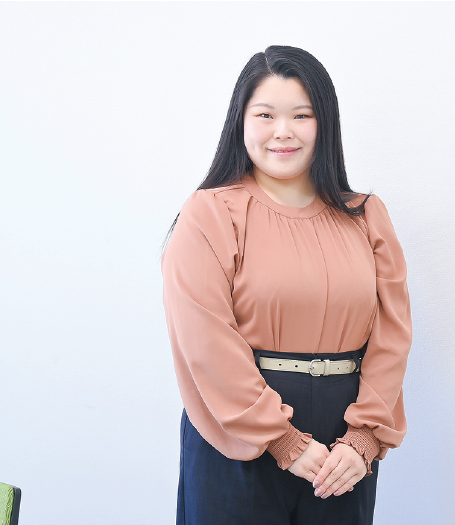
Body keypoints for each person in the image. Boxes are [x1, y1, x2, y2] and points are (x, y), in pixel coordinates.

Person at [161, 45, 412, 525]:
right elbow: (205, 341)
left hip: (344, 451)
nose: (283, 131)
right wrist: (282, 440)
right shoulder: (209, 213)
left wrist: (363, 440)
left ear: (325, 123)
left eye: (301, 115)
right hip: (237, 437)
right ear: (240, 121)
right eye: (265, 115)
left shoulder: (366, 216)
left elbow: (393, 335)